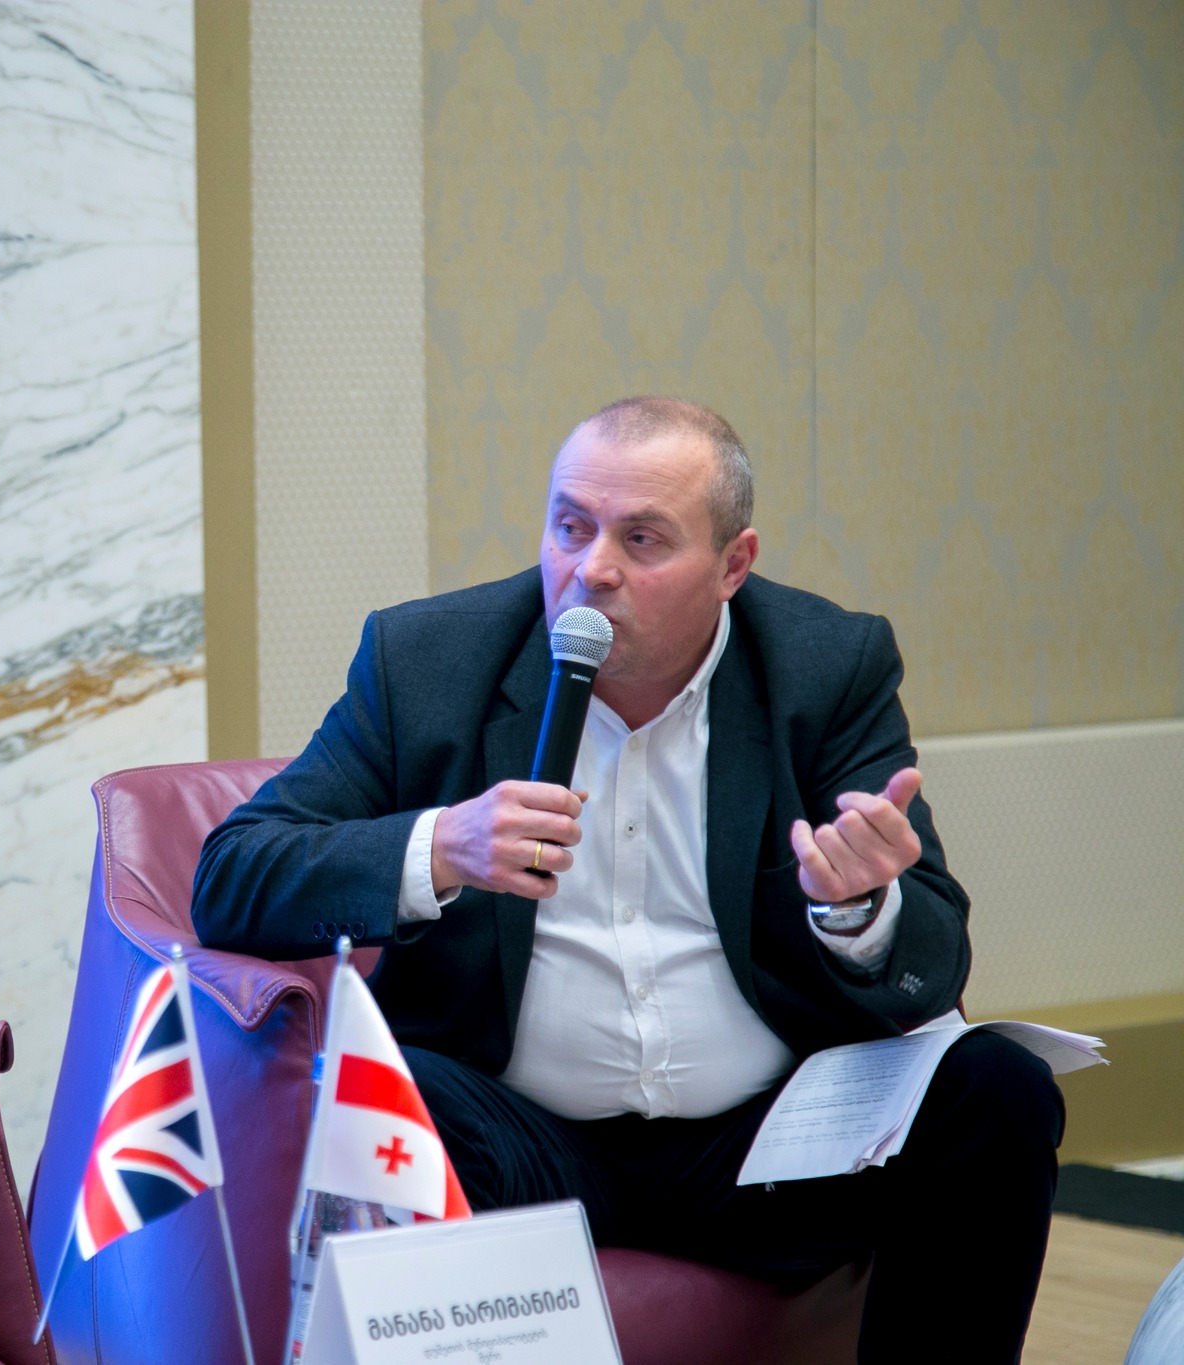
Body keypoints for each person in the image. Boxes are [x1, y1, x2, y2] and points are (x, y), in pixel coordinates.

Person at [191, 397, 1063, 1363]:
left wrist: (859, 907)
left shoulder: (825, 668)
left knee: (999, 1088)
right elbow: (234, 874)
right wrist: (442, 845)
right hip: (520, 1135)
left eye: (642, 539)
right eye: (570, 527)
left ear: (733, 565)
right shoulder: (428, 661)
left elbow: (934, 959)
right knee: (397, 1099)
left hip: (762, 1142)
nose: (592, 568)